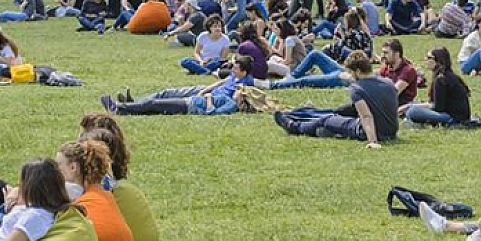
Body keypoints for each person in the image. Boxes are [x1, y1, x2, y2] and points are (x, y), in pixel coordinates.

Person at [272, 51, 397, 149]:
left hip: (371, 132)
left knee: (327, 119)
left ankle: (294, 126)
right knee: (342, 111)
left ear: (358, 72)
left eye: (351, 73)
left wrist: (373, 141)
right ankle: (307, 113)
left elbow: (366, 117)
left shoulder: (357, 89)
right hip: (391, 131)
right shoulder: (388, 83)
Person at [100, 56, 255, 116]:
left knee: (154, 105)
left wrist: (208, 100)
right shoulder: (233, 79)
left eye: (235, 68)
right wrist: (207, 91)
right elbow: (222, 82)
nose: (232, 69)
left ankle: (119, 108)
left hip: (192, 105)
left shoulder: (234, 99)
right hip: (196, 98)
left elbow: (212, 113)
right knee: (161, 98)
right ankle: (127, 106)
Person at [402, 47, 476, 127]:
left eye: (429, 58)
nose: (425, 59)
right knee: (413, 105)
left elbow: (437, 107)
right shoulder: (448, 76)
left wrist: (410, 106)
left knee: (412, 111)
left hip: (452, 118)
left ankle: (416, 121)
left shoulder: (441, 80)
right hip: (455, 114)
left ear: (438, 61)